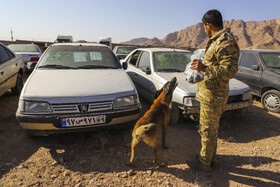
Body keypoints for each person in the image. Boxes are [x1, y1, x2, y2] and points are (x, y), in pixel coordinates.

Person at [186, 9, 240, 172]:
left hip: (213, 97)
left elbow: (230, 71)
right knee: (208, 129)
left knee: (208, 130)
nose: (204, 30)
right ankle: (210, 157)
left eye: (204, 27)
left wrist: (205, 68)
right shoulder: (216, 40)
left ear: (208, 25)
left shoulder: (225, 41)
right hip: (209, 94)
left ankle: (204, 164)